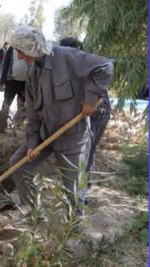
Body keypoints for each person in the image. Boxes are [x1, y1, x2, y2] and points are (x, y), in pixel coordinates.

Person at [9, 26, 113, 214]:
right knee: (18, 165)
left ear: (32, 48)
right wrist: (32, 143)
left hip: (73, 136)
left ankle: (75, 230)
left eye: (21, 52)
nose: (20, 57)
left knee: (73, 188)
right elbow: (32, 115)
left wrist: (89, 100)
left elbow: (104, 66)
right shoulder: (32, 74)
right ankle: (34, 216)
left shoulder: (67, 57)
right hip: (45, 135)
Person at [59, 37, 112, 185]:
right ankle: (82, 188)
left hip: (97, 113)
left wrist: (89, 102)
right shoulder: (77, 62)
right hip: (95, 112)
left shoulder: (81, 64)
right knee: (86, 151)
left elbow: (107, 67)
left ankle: (81, 190)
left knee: (86, 151)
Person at [0, 45, 29, 133]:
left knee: (22, 106)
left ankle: (17, 127)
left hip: (25, 83)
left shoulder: (29, 48)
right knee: (6, 103)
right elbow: (4, 65)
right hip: (11, 82)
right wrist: (2, 82)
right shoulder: (11, 49)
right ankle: (1, 125)